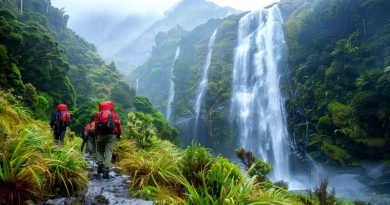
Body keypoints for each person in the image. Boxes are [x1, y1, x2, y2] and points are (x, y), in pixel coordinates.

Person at [94, 101, 121, 179]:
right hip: (111, 135)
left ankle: (100, 164)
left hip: (100, 135)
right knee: (108, 152)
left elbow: (96, 126)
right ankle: (105, 170)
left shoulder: (98, 114)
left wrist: (96, 135)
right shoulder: (114, 114)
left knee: (99, 150)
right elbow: (118, 126)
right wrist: (119, 135)